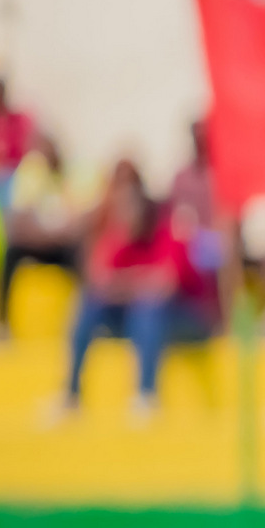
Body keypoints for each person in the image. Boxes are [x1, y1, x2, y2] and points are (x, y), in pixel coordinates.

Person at [57, 159, 200, 422]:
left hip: (186, 318)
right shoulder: (118, 234)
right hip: (134, 316)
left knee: (148, 307)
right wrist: (136, 279)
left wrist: (125, 283)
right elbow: (99, 281)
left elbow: (165, 285)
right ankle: (71, 394)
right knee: (90, 303)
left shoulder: (168, 228)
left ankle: (146, 395)